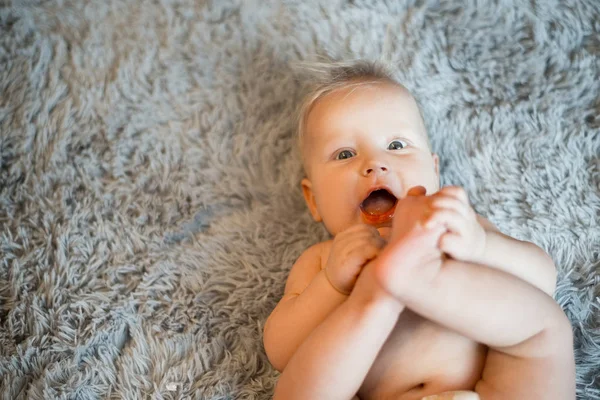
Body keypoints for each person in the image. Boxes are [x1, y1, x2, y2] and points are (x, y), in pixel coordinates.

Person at [262, 60, 575, 400]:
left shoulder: (454, 228)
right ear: (314, 200)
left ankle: (413, 280)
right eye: (345, 153)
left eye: (396, 146)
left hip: (490, 391)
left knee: (547, 328)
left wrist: (481, 247)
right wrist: (333, 287)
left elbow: (542, 279)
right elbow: (281, 350)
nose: (374, 164)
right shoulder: (323, 260)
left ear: (434, 169)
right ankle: (375, 301)